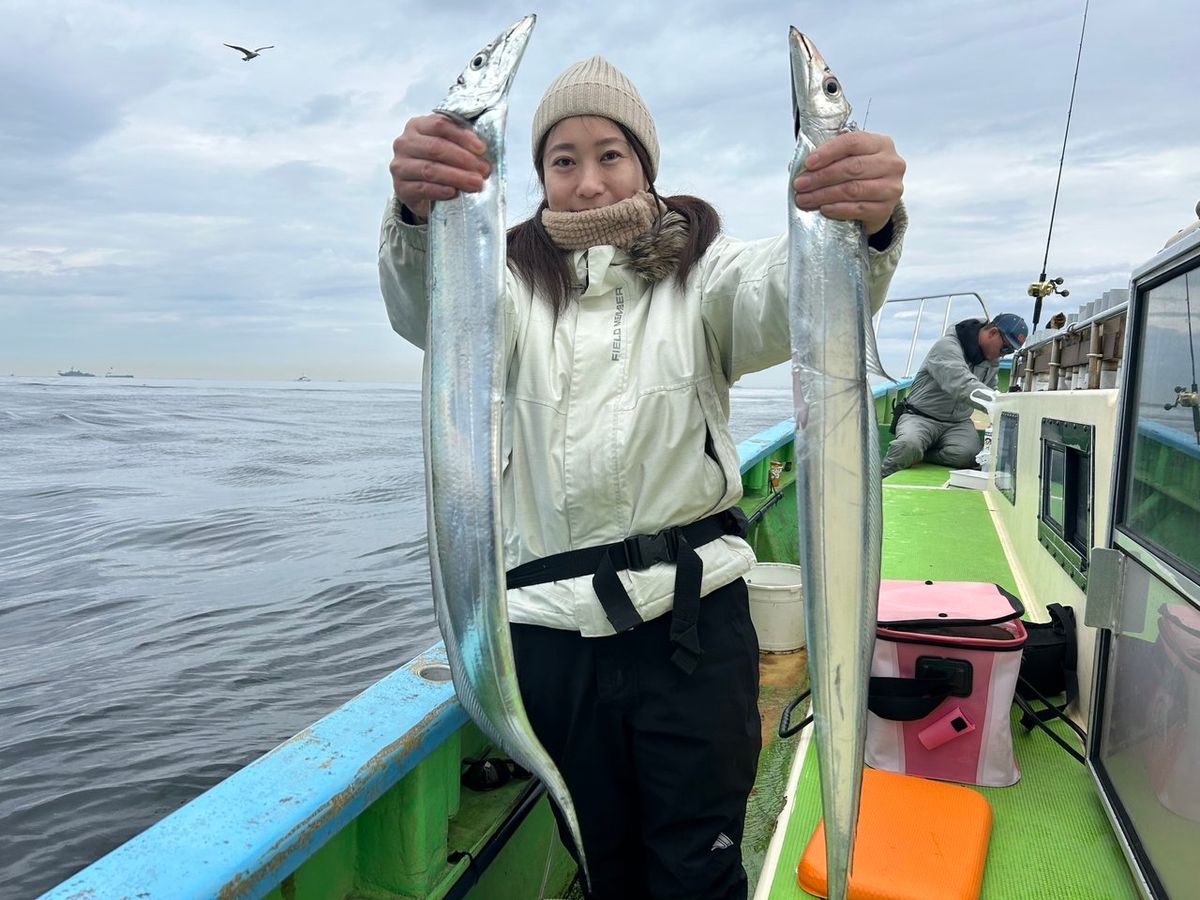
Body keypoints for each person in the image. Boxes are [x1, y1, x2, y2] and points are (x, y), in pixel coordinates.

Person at [380, 55, 906, 899]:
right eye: (563, 159)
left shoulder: (707, 274)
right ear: (539, 173)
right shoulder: (502, 284)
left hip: (689, 632)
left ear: (645, 164)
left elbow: (796, 289)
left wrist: (863, 224)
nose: (588, 182)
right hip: (546, 640)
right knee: (605, 869)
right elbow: (426, 307)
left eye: (610, 154)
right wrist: (418, 215)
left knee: (697, 866)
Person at [881, 313, 1028, 478]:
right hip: (921, 416)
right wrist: (999, 404)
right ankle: (880, 479)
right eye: (1005, 348)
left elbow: (989, 388)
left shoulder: (991, 360)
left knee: (969, 455)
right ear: (992, 333)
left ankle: (922, 453)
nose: (1004, 354)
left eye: (1010, 351)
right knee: (908, 446)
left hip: (957, 423)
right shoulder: (946, 347)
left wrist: (1012, 401)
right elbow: (962, 383)